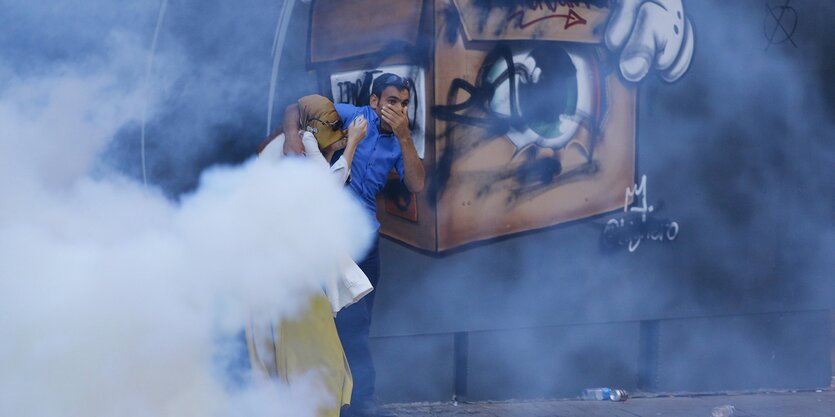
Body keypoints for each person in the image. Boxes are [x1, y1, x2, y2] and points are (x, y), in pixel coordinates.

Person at [283, 74, 425, 417]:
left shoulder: (400, 140)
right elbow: (296, 107)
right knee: (344, 325)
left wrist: (406, 137)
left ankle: (351, 400)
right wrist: (291, 135)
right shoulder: (350, 115)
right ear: (374, 101)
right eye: (392, 101)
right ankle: (357, 404)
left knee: (359, 325)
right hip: (332, 240)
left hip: (366, 242)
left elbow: (417, 183)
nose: (399, 109)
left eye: (405, 103)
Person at [249, 95, 371, 417]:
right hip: (288, 279)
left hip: (278, 276)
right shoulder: (295, 149)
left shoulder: (293, 143)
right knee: (318, 363)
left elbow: (296, 107)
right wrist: (351, 146)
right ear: (315, 127)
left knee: (288, 366)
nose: (341, 131)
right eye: (333, 126)